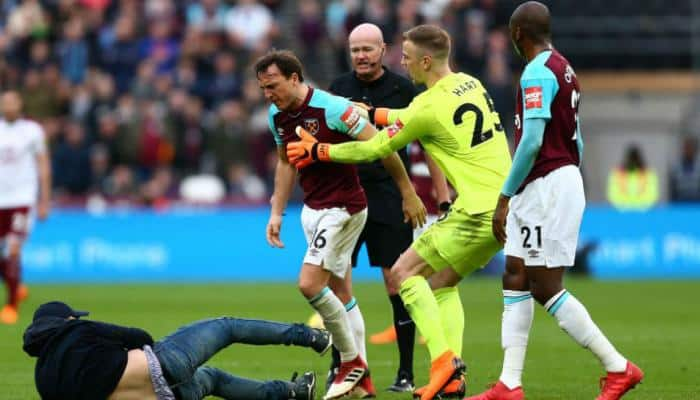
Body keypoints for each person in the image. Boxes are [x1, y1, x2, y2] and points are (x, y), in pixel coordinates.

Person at [287, 25, 512, 400]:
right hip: (502, 209)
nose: (402, 62)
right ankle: (452, 375)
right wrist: (372, 112)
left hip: (473, 211)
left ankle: (442, 363)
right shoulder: (469, 84)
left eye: (407, 56)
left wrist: (320, 152)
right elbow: (410, 116)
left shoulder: (426, 104)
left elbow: (371, 150)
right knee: (441, 284)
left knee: (404, 273)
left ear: (425, 60)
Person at [467, 2, 644, 400]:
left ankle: (619, 368)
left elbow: (530, 141)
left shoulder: (536, 73)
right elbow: (577, 141)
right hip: (553, 179)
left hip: (544, 183)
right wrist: (564, 173)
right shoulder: (565, 68)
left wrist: (505, 195)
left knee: (545, 285)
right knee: (514, 273)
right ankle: (509, 384)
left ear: (517, 35)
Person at [255, 49, 426, 400]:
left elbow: (384, 146)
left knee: (309, 284)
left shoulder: (334, 109)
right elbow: (286, 163)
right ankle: (363, 382)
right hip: (313, 210)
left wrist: (408, 192)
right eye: (263, 89)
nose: (268, 95)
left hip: (344, 208)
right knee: (342, 294)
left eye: (273, 86)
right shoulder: (277, 115)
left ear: (294, 78)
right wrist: (277, 211)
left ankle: (350, 362)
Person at [326, 22, 450, 393]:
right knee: (337, 284)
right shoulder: (338, 89)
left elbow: (428, 146)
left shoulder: (404, 88)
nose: (361, 56)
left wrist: (440, 197)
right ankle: (342, 367)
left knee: (397, 281)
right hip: (345, 195)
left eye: (367, 49)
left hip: (389, 196)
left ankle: (406, 372)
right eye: (355, 50)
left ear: (383, 50)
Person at [23, 301, 328, 400]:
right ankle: (310, 337)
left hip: (162, 396)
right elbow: (138, 335)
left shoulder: (44, 381)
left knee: (213, 380)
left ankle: (294, 392)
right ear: (65, 320)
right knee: (228, 326)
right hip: (164, 365)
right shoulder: (78, 331)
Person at [0, 90, 51, 325]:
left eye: (12, 102)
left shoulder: (32, 131)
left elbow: (43, 166)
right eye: (5, 103)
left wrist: (44, 200)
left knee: (12, 247)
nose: (8, 106)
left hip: (21, 199)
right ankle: (16, 285)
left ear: (20, 104)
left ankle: (11, 305)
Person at [607, 145, 659, 210]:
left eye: (635, 158)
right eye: (631, 158)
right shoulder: (616, 174)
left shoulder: (649, 174)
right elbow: (613, 196)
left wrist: (640, 207)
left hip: (644, 213)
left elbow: (652, 196)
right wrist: (625, 207)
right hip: (622, 213)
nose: (633, 161)